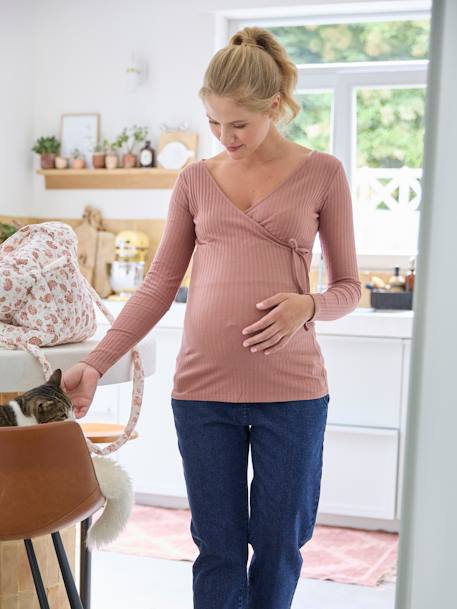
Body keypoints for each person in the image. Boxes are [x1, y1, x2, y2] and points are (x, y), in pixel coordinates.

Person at [62, 25, 361, 609]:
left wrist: (310, 305)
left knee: (279, 545)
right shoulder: (196, 179)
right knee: (217, 548)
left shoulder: (323, 173)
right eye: (214, 123)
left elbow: (349, 288)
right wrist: (96, 364)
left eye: (239, 124)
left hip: (293, 394)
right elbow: (157, 286)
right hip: (202, 394)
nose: (225, 137)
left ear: (274, 107)